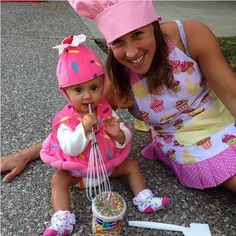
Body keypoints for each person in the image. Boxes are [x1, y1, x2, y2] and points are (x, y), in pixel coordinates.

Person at [1, 0, 236, 192]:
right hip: (187, 144)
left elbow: (232, 95)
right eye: (118, 42)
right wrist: (26, 154)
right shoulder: (116, 80)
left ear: (153, 25)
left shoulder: (190, 35)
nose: (132, 52)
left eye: (138, 34)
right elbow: (77, 124)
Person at [40, 35, 170, 236]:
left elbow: (125, 136)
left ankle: (144, 197)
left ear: (103, 84)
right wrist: (83, 129)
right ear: (65, 92)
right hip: (79, 175)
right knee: (58, 180)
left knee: (132, 165)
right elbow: (69, 148)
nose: (87, 96)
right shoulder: (65, 120)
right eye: (78, 90)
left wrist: (118, 135)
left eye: (94, 87)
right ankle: (62, 218)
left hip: (106, 168)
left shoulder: (106, 111)